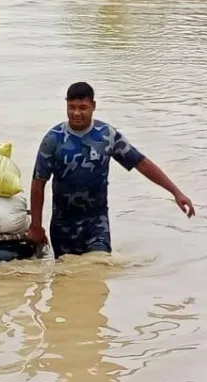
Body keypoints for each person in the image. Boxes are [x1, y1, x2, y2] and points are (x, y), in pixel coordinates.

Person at [27, 82, 195, 258]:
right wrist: (36, 226)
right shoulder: (53, 139)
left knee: (99, 264)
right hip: (62, 227)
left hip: (96, 223)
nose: (76, 113)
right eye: (72, 107)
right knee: (67, 273)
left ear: (93, 106)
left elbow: (141, 163)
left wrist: (176, 192)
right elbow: (38, 183)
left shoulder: (107, 135)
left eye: (83, 107)